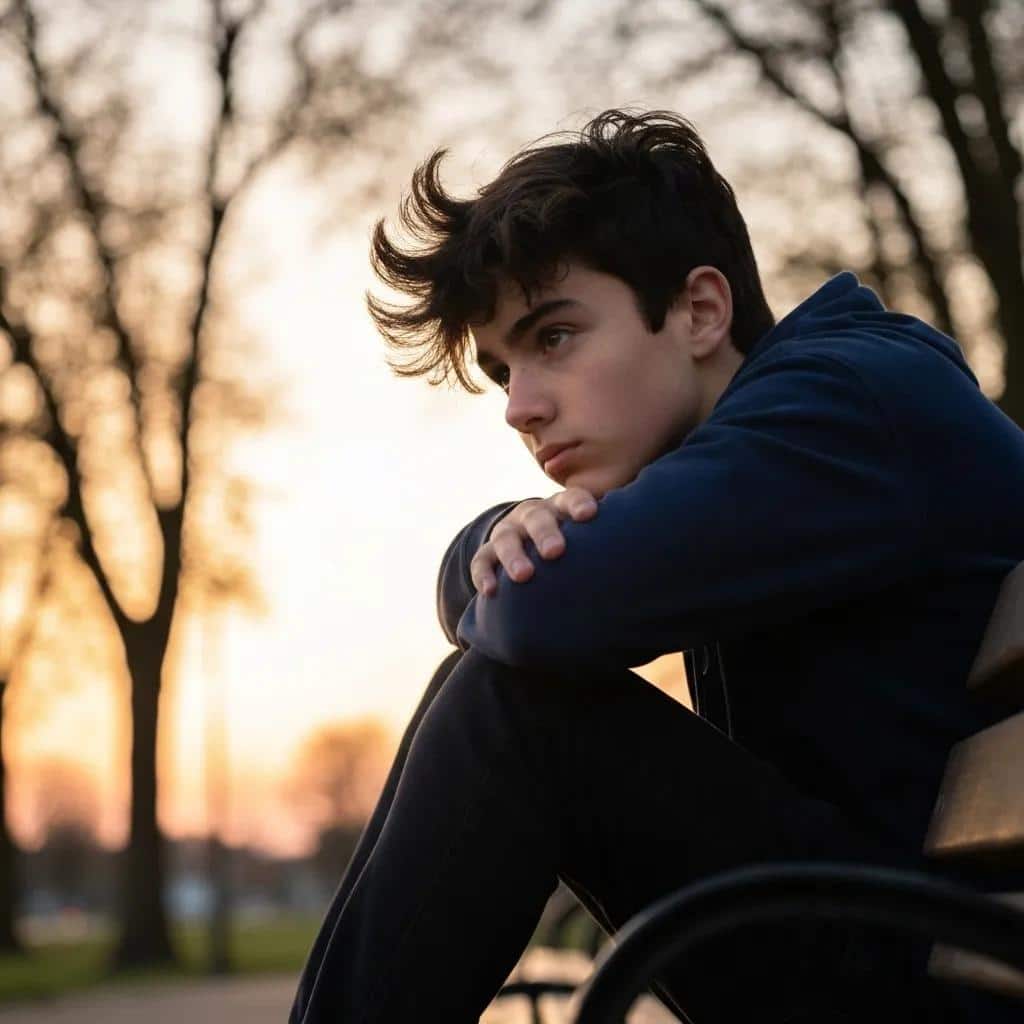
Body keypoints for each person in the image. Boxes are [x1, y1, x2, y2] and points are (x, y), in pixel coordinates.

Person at [289, 109, 1024, 1023]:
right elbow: (515, 605)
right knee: (493, 685)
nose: (519, 407)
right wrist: (496, 540)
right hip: (895, 935)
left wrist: (498, 565)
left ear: (700, 311)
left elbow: (541, 615)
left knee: (515, 708)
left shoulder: (845, 403)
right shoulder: (775, 442)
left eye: (553, 337)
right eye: (503, 371)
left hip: (937, 980)